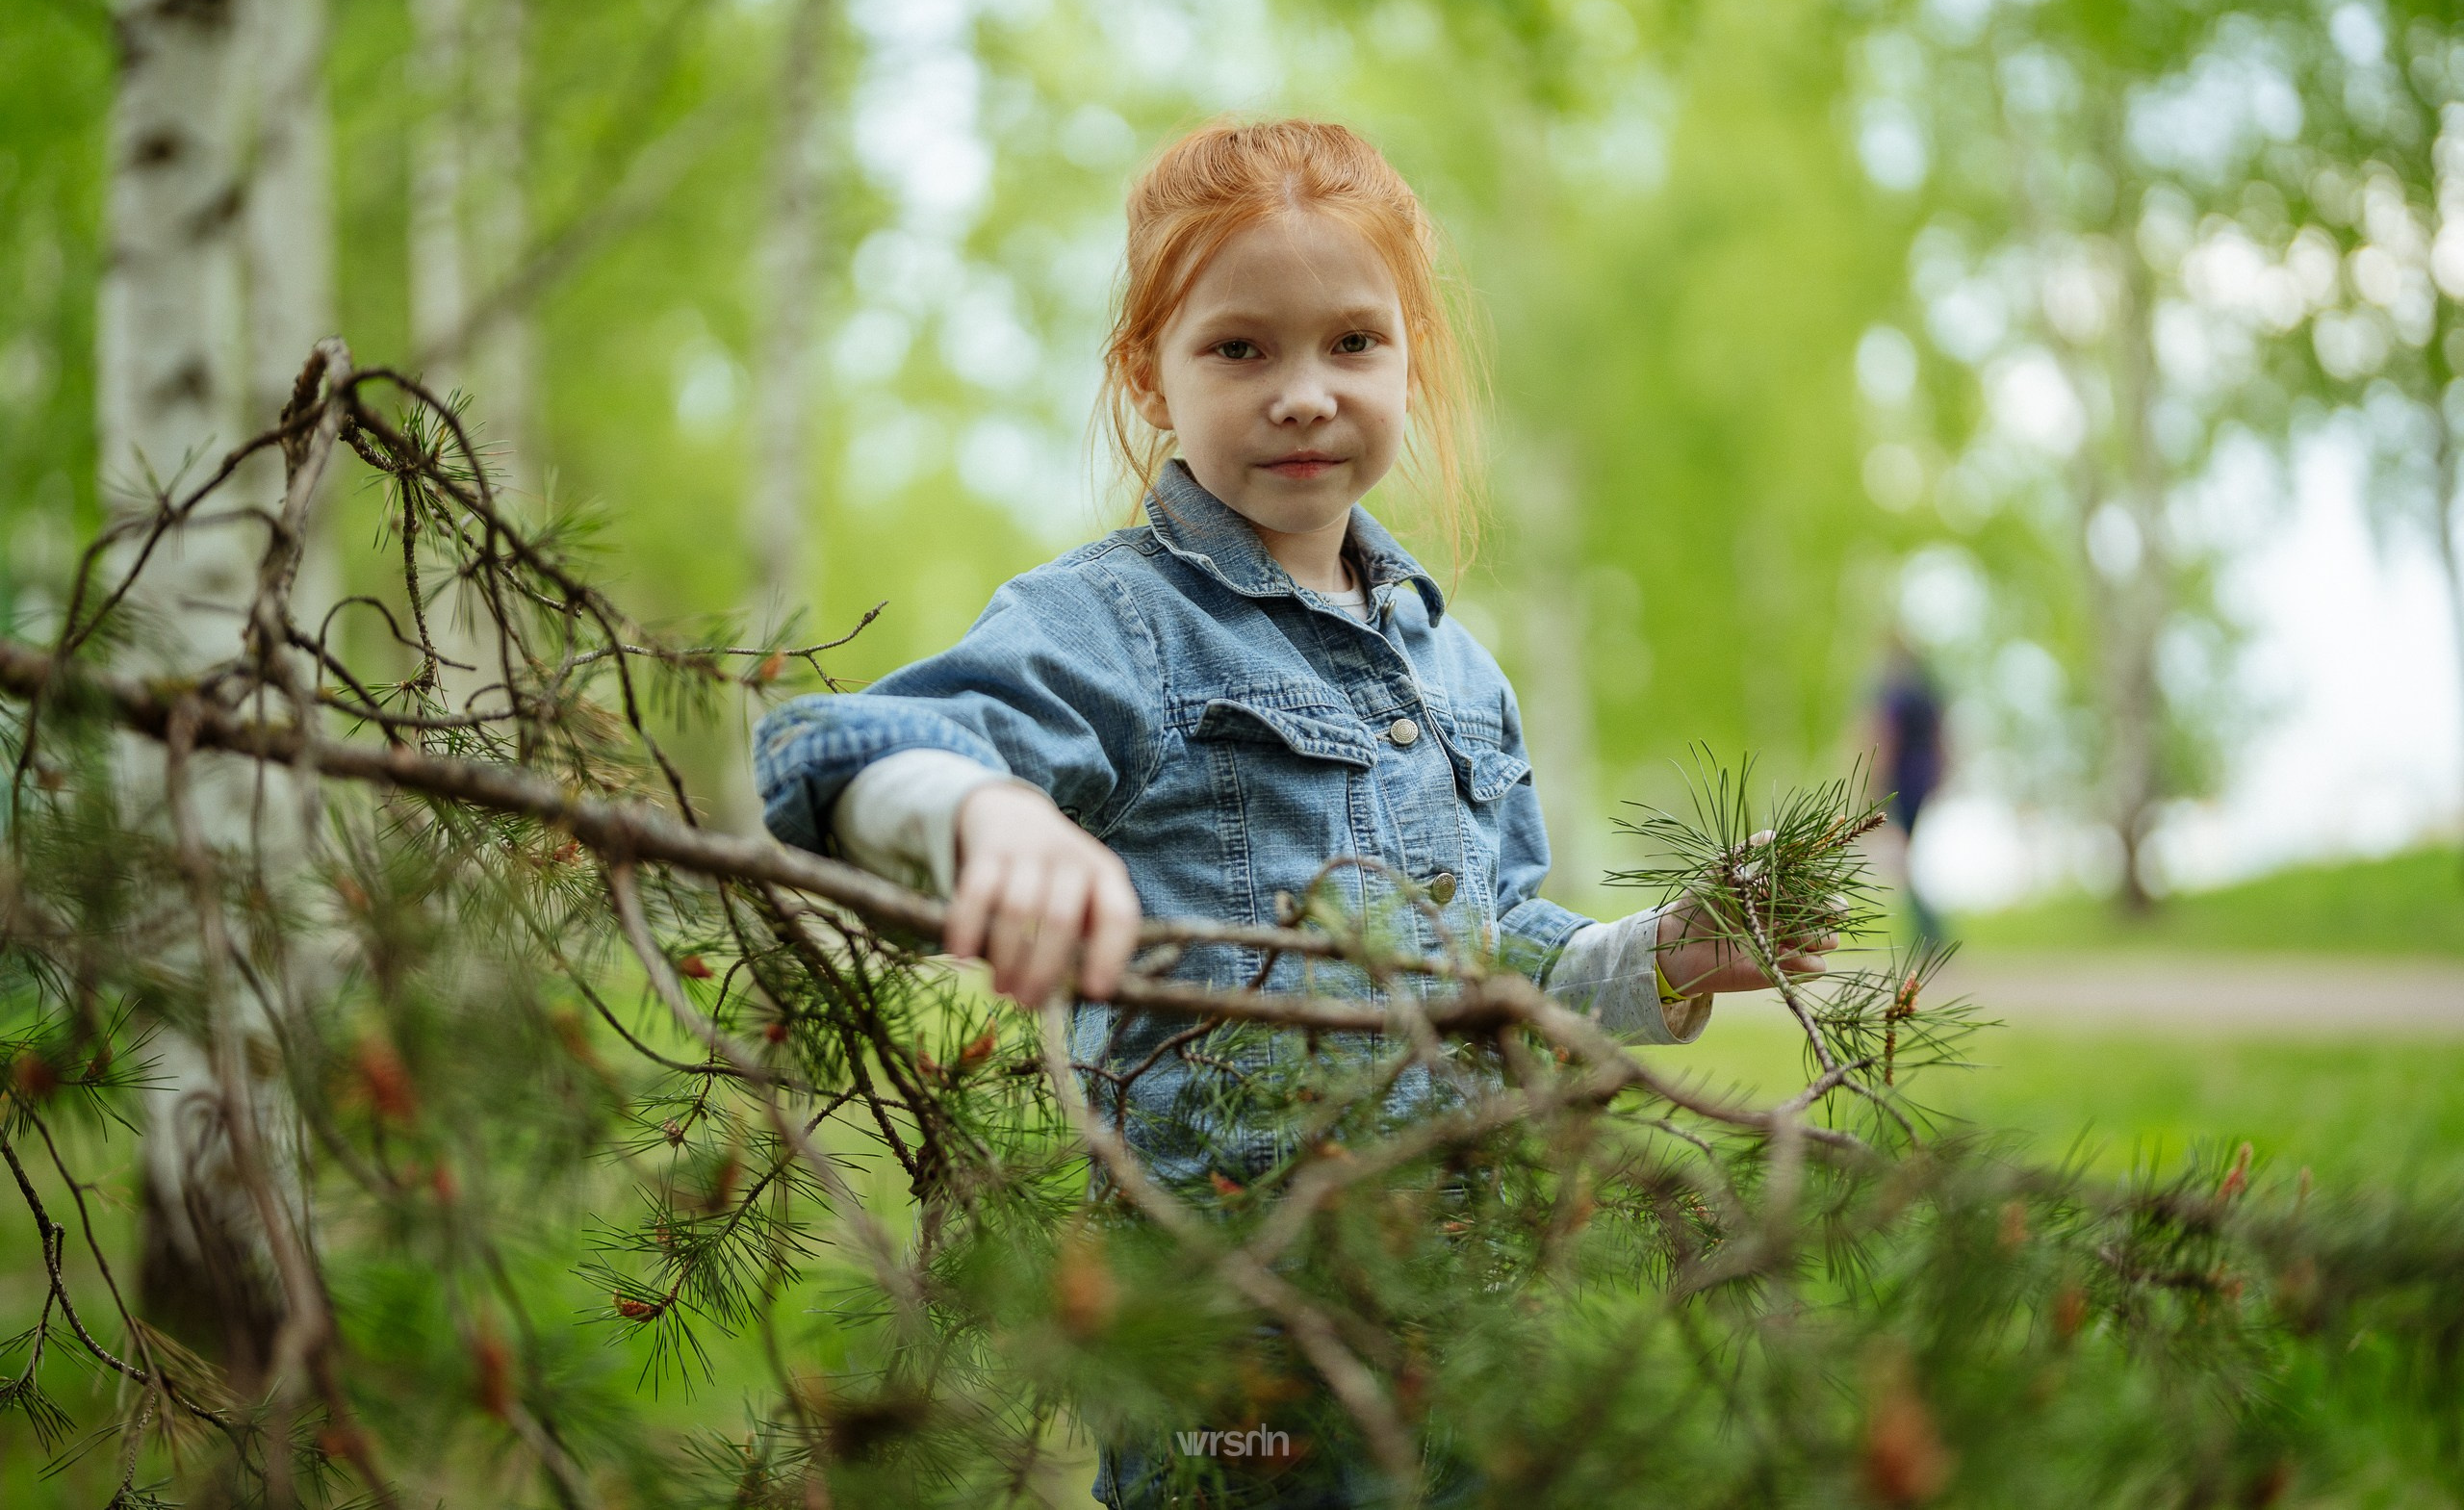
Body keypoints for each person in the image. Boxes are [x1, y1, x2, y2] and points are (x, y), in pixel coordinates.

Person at [753, 118, 1832, 1507]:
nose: (1305, 394)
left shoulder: (1457, 666)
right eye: (1241, 348)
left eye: (1353, 344)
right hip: (1239, 1346)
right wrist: (985, 816)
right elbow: (833, 748)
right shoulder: (1119, 622)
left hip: (1470, 1318)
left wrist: (1666, 952)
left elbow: (1492, 949)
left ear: (1411, 358)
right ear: (1149, 374)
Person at [1871, 635, 1947, 949]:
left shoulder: (1896, 694)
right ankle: (1928, 932)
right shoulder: (1928, 692)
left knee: (1904, 859)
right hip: (1924, 779)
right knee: (1908, 857)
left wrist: (1875, 781)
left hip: (1902, 783)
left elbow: (1887, 737)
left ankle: (1929, 931)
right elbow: (1942, 736)